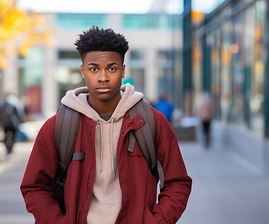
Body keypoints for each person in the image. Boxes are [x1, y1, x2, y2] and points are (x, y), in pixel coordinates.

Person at [20, 26, 192, 223]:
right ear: (83, 71)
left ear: (123, 70)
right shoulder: (58, 126)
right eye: (94, 69)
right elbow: (34, 187)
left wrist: (157, 221)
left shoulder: (151, 122)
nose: (103, 77)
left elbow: (178, 182)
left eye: (112, 68)